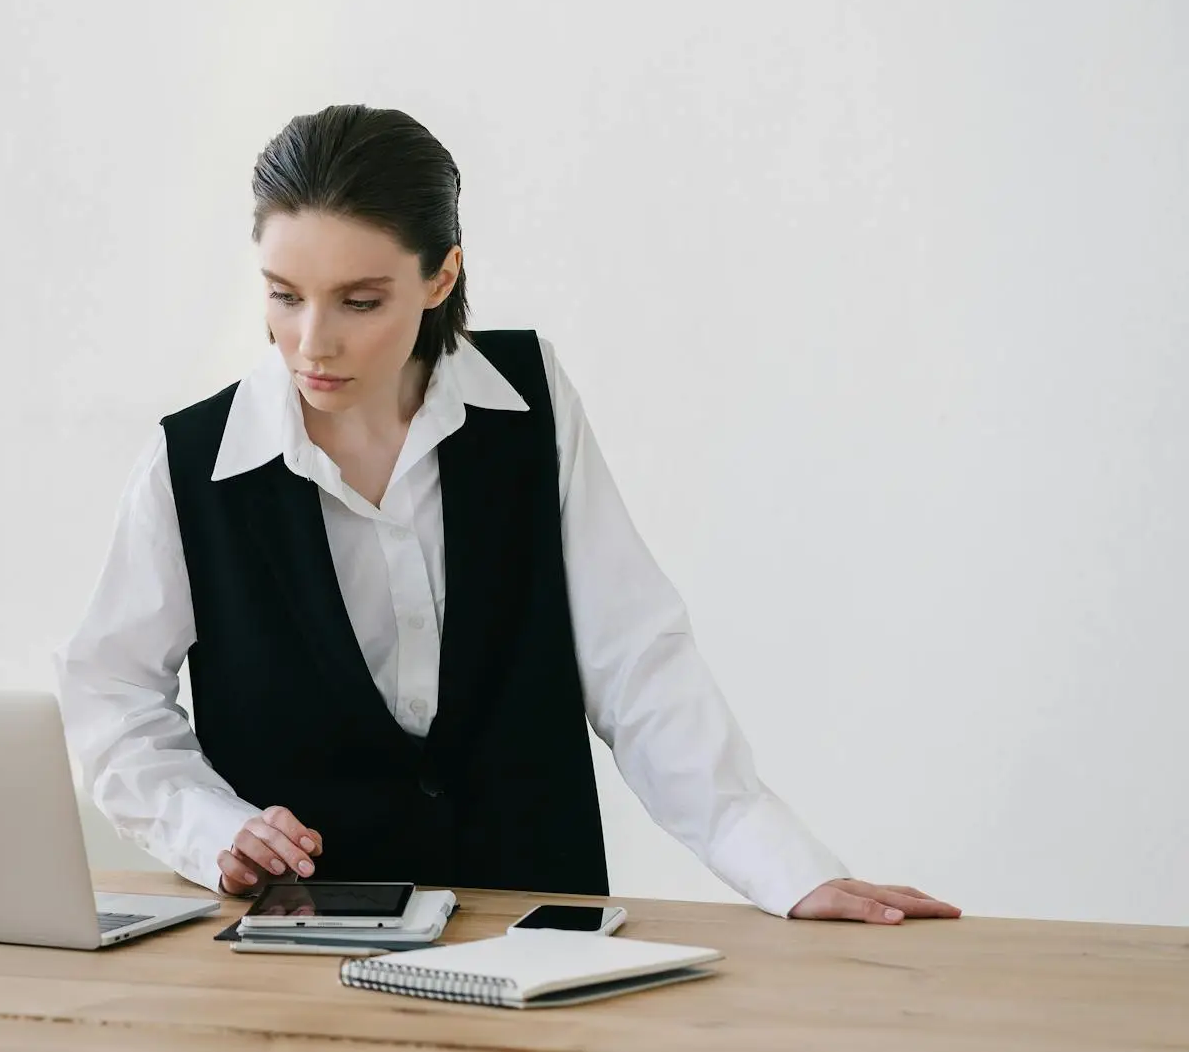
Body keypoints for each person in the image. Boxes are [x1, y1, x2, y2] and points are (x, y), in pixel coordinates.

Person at [55, 105, 960, 924]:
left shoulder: (530, 406)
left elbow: (635, 661)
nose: (311, 341)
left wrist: (784, 867)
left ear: (442, 276)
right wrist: (212, 827)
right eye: (284, 294)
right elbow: (109, 695)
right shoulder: (191, 463)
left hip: (539, 931)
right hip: (295, 952)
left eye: (360, 301)